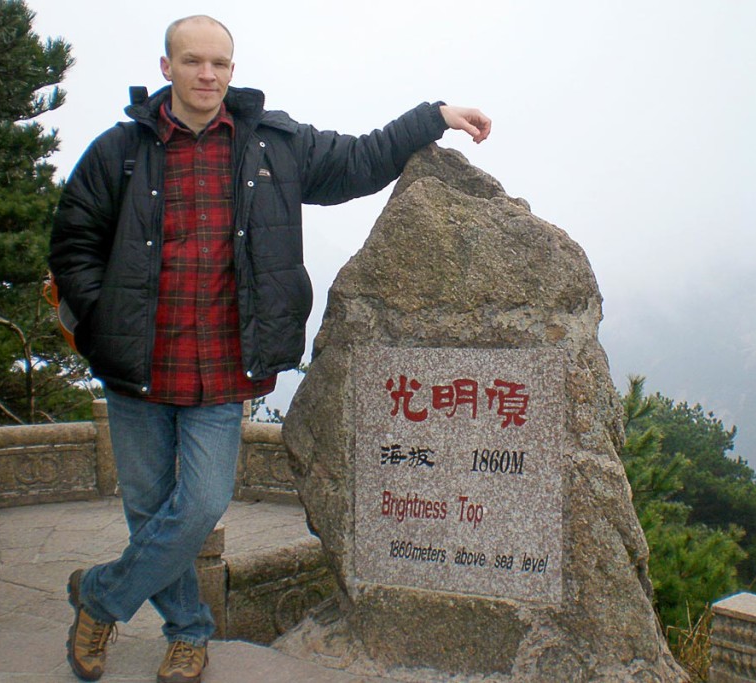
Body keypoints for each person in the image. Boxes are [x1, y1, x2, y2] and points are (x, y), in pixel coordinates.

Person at [49, 14, 490, 683]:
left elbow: (361, 159)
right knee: (147, 511)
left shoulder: (272, 145)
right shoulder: (119, 152)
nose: (207, 75)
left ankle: (102, 597)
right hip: (136, 366)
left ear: (232, 69)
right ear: (166, 68)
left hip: (224, 366)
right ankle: (190, 630)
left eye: (219, 64)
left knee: (197, 505)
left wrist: (432, 116)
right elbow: (74, 238)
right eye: (193, 62)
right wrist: (96, 319)